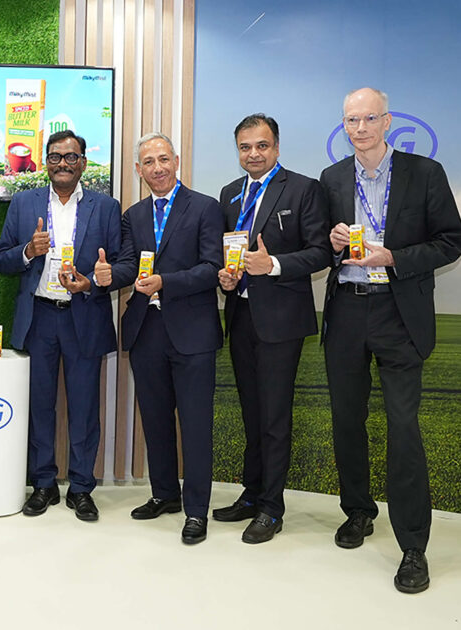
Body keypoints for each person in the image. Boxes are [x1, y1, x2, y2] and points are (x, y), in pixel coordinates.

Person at [320, 87, 461, 593]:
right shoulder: (333, 178)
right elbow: (320, 247)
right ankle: (358, 511)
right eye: (351, 120)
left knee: (403, 428)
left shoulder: (425, 173)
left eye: (369, 118)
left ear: (387, 121)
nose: (359, 128)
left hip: (399, 313)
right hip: (346, 310)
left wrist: (394, 257)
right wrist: (334, 245)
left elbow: (451, 241)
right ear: (344, 126)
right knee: (347, 421)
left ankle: (413, 547)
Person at [96, 132, 223, 543]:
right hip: (146, 331)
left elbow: (212, 268)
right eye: (148, 162)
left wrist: (165, 282)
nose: (157, 168)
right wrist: (107, 276)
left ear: (177, 161)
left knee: (196, 425)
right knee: (155, 420)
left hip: (193, 334)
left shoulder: (205, 207)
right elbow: (129, 265)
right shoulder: (133, 215)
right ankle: (165, 494)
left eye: (163, 159)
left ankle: (196, 510)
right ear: (138, 170)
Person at [214, 113, 329, 544]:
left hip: (281, 321)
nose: (254, 154)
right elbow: (228, 254)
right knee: (251, 411)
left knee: (274, 416)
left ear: (276, 147)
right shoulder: (229, 194)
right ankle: (252, 494)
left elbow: (321, 253)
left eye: (262, 146)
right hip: (240, 315)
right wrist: (226, 279)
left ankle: (271, 508)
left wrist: (273, 264)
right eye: (245, 147)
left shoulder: (302, 189)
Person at [0, 130, 121, 522]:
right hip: (39, 318)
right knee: (39, 405)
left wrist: (94, 280)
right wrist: (27, 251)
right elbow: (2, 259)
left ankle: (81, 488)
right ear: (45, 162)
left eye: (70, 157)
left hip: (84, 314)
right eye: (55, 156)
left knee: (84, 408)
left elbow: (119, 264)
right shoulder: (23, 203)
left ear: (83, 162)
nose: (62, 163)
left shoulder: (106, 207)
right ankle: (43, 483)